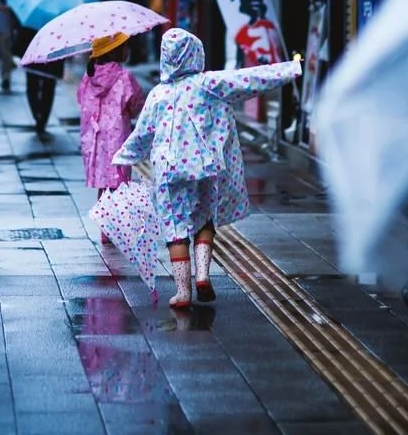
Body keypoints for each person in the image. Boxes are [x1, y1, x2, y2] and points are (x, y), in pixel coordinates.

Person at [112, 27, 302, 308]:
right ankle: (202, 275)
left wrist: (123, 157)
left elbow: (142, 134)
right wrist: (291, 68)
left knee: (175, 228)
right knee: (204, 219)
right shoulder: (208, 84)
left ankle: (183, 291)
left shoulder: (157, 95)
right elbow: (249, 79)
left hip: (168, 170)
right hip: (203, 166)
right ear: (195, 54)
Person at [77, 33, 146, 243]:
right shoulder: (124, 78)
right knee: (119, 183)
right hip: (118, 140)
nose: (128, 50)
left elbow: (80, 99)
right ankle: (115, 228)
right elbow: (136, 105)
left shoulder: (88, 77)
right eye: (124, 46)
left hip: (94, 140)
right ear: (115, 51)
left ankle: (105, 230)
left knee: (103, 185)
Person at [13, 26, 65, 134]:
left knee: (33, 87)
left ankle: (37, 114)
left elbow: (21, 34)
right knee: (48, 88)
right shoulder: (58, 19)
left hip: (33, 55)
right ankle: (42, 118)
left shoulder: (32, 19)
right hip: (52, 57)